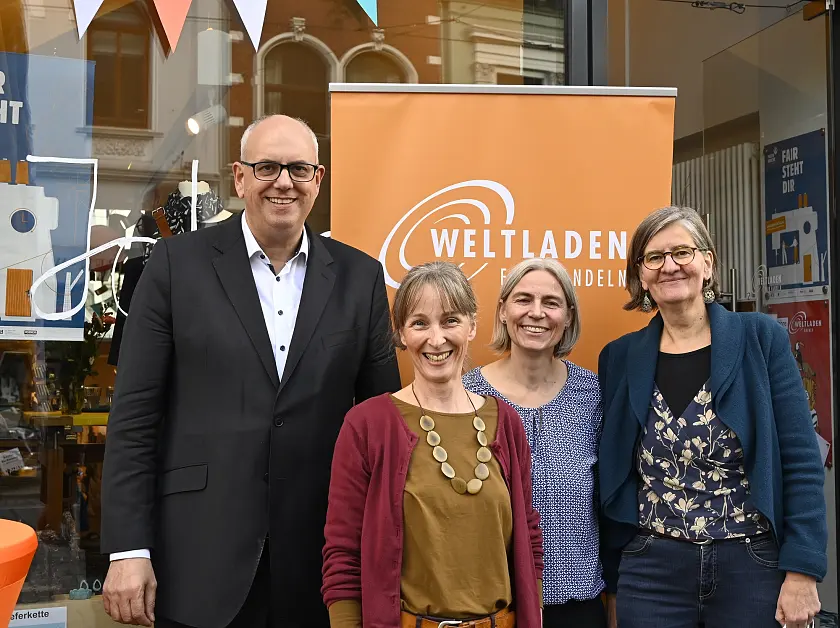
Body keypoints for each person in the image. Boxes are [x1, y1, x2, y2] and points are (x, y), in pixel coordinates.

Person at [100, 114, 402, 628]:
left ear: (317, 181)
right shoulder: (175, 267)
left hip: (320, 560)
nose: (283, 182)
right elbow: (133, 419)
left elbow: (383, 425)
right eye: (267, 167)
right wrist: (128, 549)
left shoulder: (360, 278)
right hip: (197, 559)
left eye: (298, 169)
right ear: (239, 178)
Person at [597, 206, 827, 628]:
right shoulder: (619, 357)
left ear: (708, 263)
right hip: (652, 569)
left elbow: (800, 460)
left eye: (682, 252)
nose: (669, 266)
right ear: (642, 276)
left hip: (751, 564)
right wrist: (615, 575)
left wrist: (803, 569)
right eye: (654, 257)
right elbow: (614, 472)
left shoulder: (761, 339)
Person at [321, 261, 544, 628]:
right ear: (401, 334)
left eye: (451, 320)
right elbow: (343, 555)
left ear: (472, 326)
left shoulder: (506, 422)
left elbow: (528, 539)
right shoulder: (367, 425)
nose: (436, 339)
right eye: (420, 323)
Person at [463, 258, 606, 628]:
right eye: (523, 299)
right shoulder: (468, 396)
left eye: (552, 302)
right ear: (503, 310)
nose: (536, 313)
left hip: (577, 604)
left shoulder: (593, 395)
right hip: (493, 606)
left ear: (569, 316)